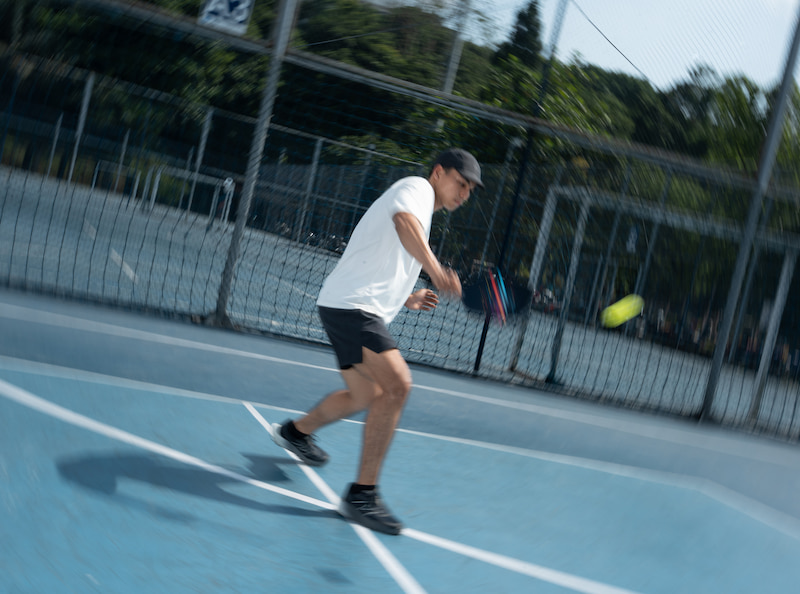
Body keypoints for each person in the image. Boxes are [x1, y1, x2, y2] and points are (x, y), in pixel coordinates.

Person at [271, 148, 483, 535]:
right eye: (461, 182)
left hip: (346, 305)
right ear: (438, 173)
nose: (464, 193)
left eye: (470, 189)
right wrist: (435, 271)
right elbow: (403, 223)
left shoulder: (423, 209)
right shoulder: (417, 189)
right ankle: (362, 495)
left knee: (362, 396)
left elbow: (381, 256)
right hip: (353, 309)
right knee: (398, 385)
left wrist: (408, 296)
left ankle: (295, 433)